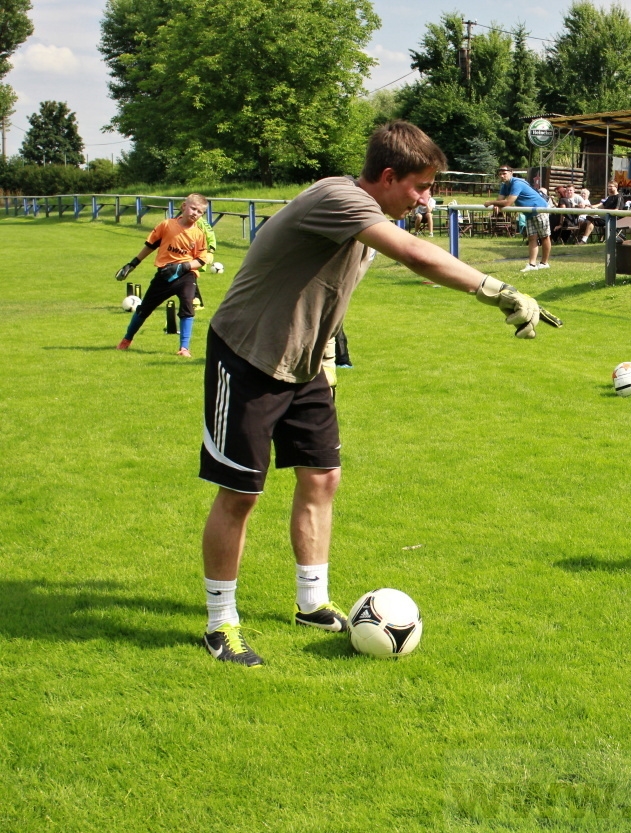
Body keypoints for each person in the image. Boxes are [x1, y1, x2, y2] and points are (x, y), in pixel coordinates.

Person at [198, 121, 545, 666]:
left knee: (323, 475)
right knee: (241, 493)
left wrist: (328, 355)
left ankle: (311, 603)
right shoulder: (339, 199)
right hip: (248, 354)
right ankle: (221, 624)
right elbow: (416, 255)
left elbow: (324, 292)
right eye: (421, 186)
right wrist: (498, 290)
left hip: (307, 363)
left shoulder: (372, 213)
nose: (427, 198)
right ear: (387, 177)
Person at [114, 193, 209, 357]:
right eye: (193, 208)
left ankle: (184, 348)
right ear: (183, 206)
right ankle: (127, 339)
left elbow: (201, 260)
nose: (195, 213)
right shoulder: (166, 225)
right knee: (144, 309)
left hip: (186, 276)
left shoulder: (199, 234)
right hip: (164, 275)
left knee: (187, 305)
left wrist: (183, 267)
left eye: (200, 212)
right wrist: (132, 264)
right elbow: (150, 246)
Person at [485, 165, 552, 272]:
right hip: (529, 212)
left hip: (539, 209)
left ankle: (544, 263)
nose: (502, 176)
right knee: (532, 238)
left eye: (504, 173)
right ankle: (532, 264)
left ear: (511, 172)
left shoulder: (517, 183)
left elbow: (508, 202)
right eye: (500, 174)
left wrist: (491, 203)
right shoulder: (505, 186)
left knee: (544, 236)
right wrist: (497, 205)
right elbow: (500, 200)